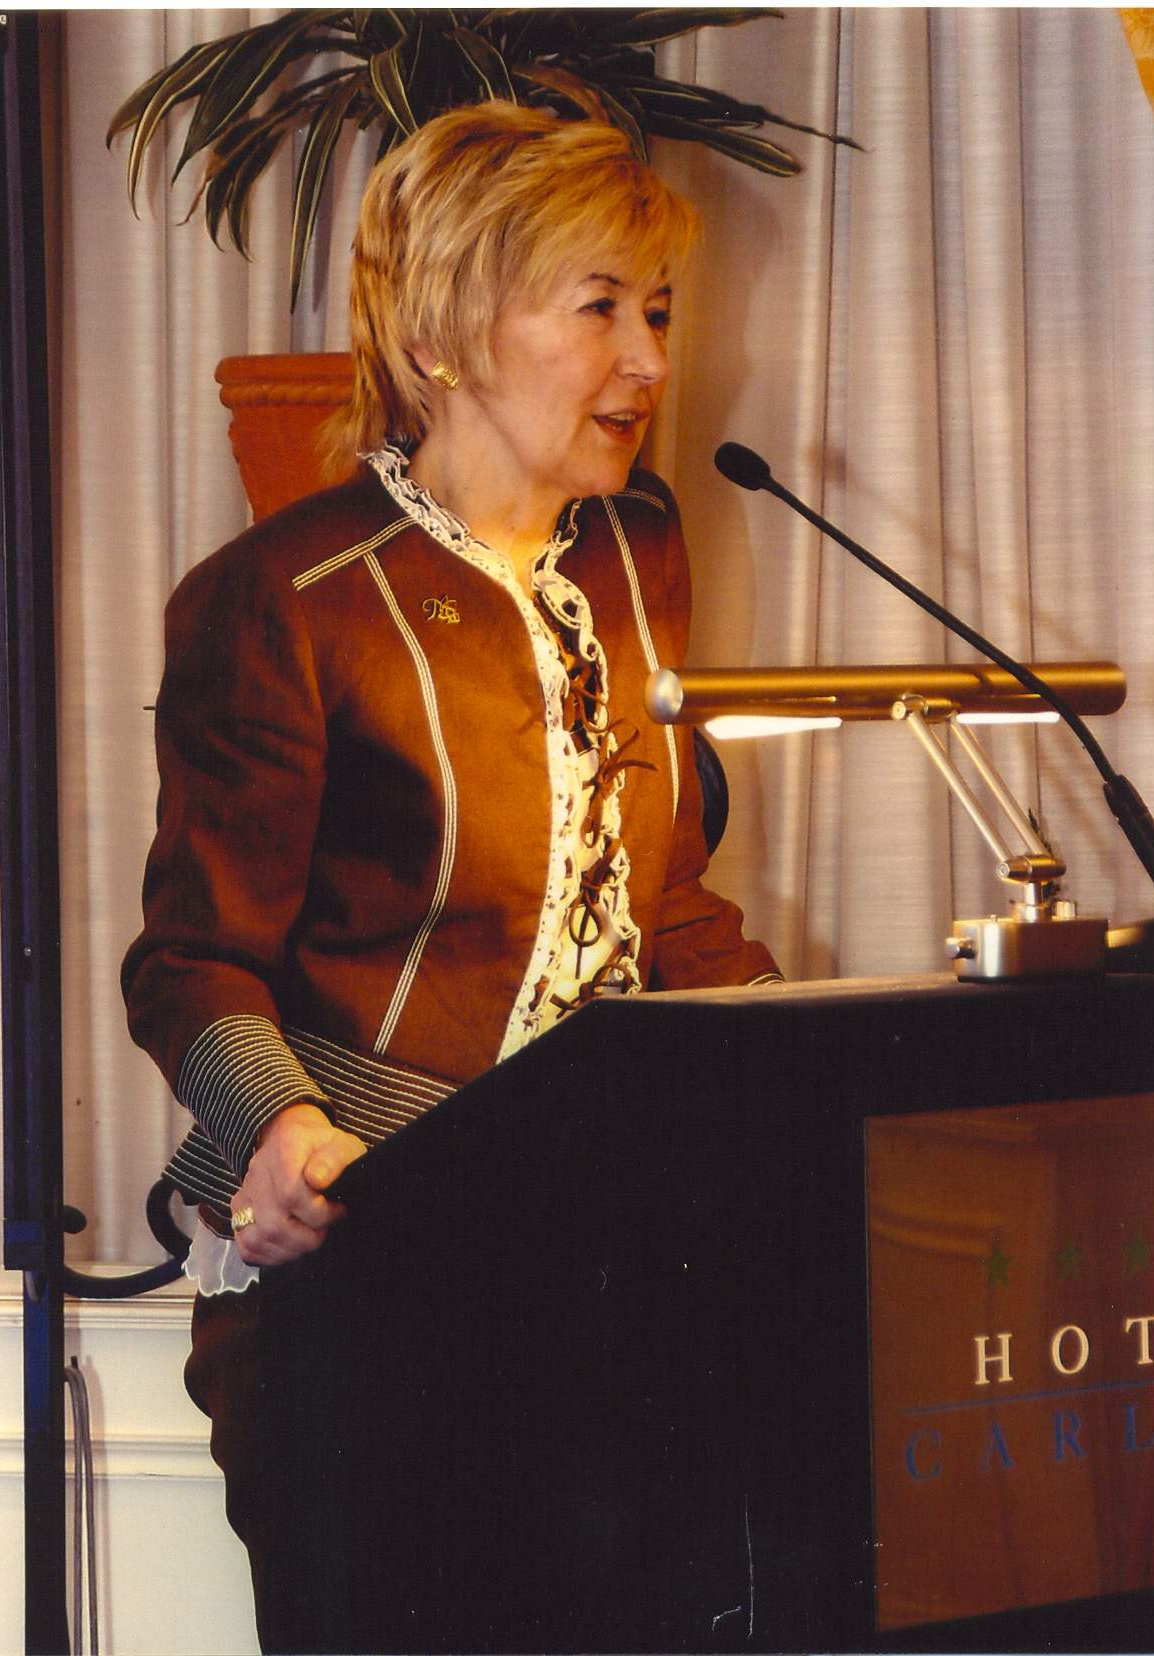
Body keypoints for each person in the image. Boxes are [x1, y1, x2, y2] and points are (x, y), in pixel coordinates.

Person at [122, 99, 779, 1643]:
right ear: (439, 339)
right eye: (599, 308)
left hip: (606, 1267)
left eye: (658, 310)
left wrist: (796, 1061)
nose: (648, 361)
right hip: (367, 1270)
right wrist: (283, 1127)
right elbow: (193, 960)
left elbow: (660, 901)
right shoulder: (283, 595)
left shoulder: (635, 550)